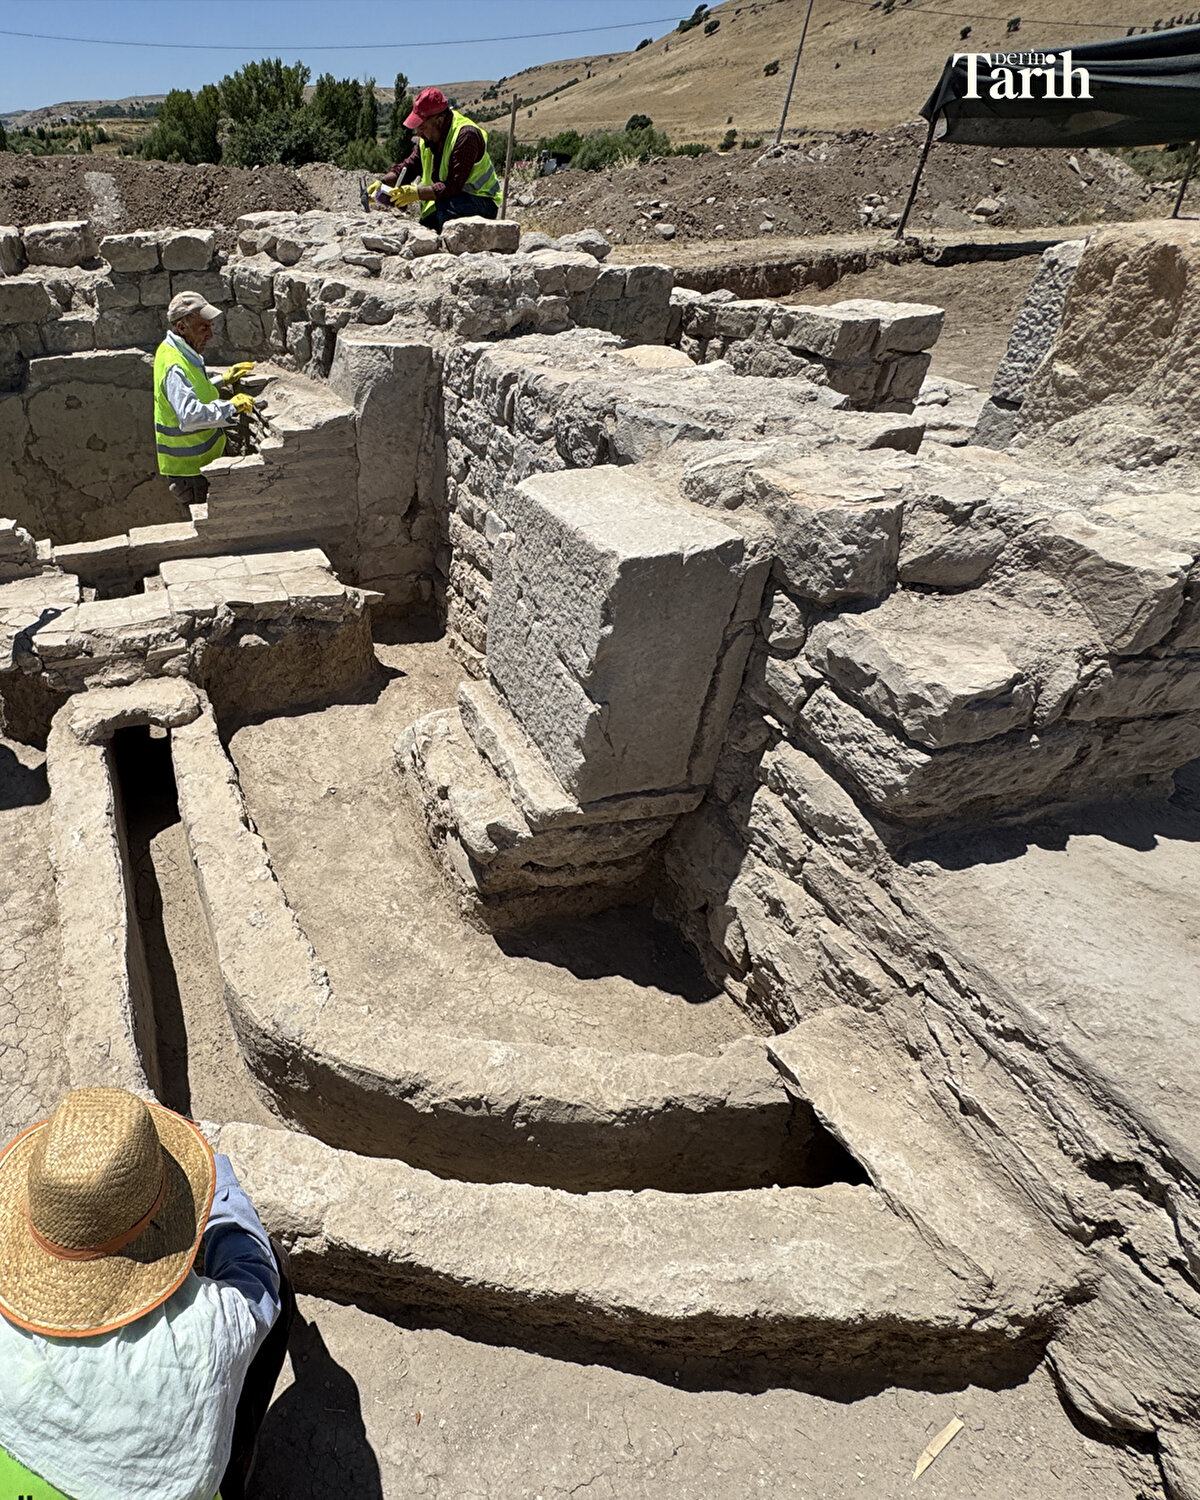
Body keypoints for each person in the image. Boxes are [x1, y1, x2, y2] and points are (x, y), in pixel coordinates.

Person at [0, 1086, 296, 1500]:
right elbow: (256, 1284)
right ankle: (238, 1464)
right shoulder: (205, 1332)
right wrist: (217, 1176)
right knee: (277, 1265)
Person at [154, 291, 256, 513]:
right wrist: (231, 406)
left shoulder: (178, 351)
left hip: (199, 466)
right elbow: (189, 417)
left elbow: (194, 391)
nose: (210, 334)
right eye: (204, 327)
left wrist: (222, 380)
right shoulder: (175, 365)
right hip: (191, 474)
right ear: (182, 327)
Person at [379, 86, 502, 231]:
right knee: (426, 226)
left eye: (422, 127)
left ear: (439, 120)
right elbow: (410, 166)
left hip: (481, 202)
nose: (419, 133)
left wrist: (416, 193)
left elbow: (453, 186)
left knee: (445, 211)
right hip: (449, 201)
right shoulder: (428, 138)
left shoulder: (466, 136)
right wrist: (382, 183)